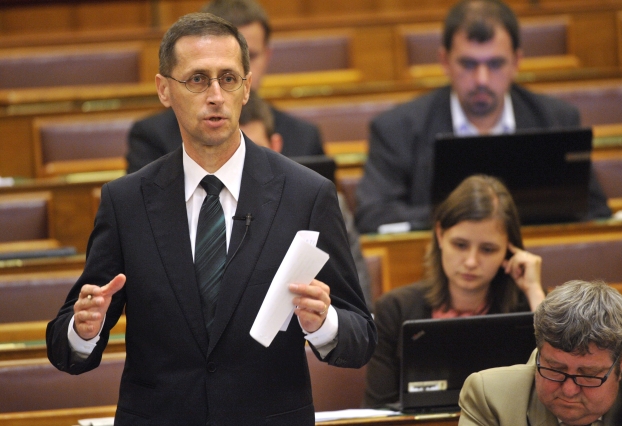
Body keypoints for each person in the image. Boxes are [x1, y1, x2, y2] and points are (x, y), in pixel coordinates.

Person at [46, 13, 376, 425]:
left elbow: (361, 338)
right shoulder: (126, 201)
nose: (216, 95)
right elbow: (65, 348)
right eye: (198, 79)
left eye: (229, 78)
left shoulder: (306, 194)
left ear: (247, 87)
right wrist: (84, 330)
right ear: (164, 89)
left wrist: (324, 323)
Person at [355, 0, 611, 234]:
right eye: (468, 64)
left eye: (495, 64)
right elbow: (373, 215)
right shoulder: (396, 129)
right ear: (444, 61)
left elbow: (595, 210)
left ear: (516, 62)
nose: (482, 80)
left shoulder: (556, 120)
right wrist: (470, 215)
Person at [363, 174, 544, 408]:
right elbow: (377, 410)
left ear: (509, 251)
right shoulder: (394, 309)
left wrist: (534, 290)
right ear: (440, 235)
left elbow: (555, 388)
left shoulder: (529, 306)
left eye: (488, 249)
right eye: (460, 245)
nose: (471, 261)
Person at [126, 0, 324, 174]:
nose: (217, 94)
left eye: (250, 56)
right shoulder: (151, 136)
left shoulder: (303, 136)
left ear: (268, 55)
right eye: (198, 78)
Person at [239, 93, 373, 310]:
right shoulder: (208, 208)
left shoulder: (322, 204)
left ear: (275, 144)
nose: (246, 163)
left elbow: (359, 306)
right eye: (237, 152)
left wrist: (324, 324)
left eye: (255, 150)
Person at [459, 279, 622, 425]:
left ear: (621, 362)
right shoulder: (490, 397)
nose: (569, 391)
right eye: (555, 369)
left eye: (588, 374)